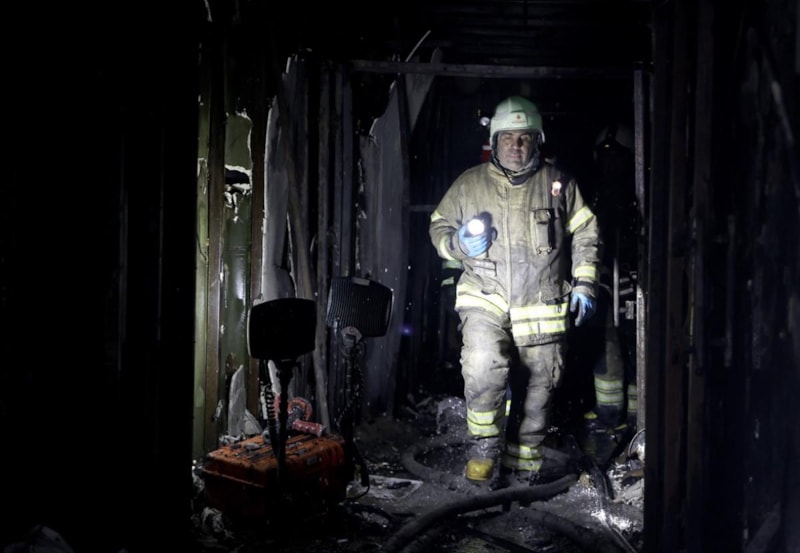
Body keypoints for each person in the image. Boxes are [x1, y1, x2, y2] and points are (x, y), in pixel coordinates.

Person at [428, 95, 603, 486]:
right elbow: (438, 224)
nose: (516, 145)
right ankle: (483, 450)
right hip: (484, 295)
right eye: (508, 137)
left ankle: (523, 467)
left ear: (537, 140)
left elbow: (586, 231)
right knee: (482, 365)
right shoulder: (469, 184)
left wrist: (585, 282)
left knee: (539, 387)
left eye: (525, 137)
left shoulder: (559, 184)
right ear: (495, 140)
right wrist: (455, 243)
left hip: (541, 304)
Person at [580, 123, 639, 432]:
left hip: (632, 285)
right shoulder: (595, 196)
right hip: (604, 284)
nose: (610, 164)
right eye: (605, 156)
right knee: (605, 345)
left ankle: (637, 415)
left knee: (635, 345)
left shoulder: (638, 195)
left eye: (617, 157)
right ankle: (609, 412)